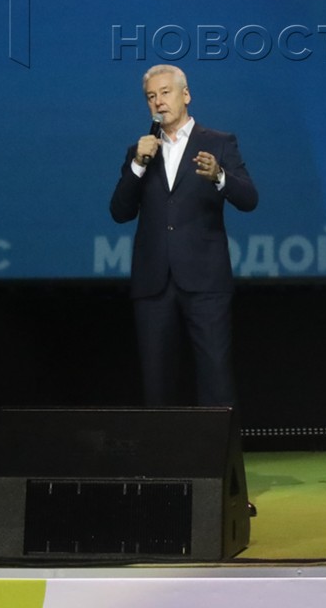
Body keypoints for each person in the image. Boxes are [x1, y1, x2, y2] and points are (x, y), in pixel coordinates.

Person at [108, 64, 258, 406]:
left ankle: (217, 443)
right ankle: (160, 443)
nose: (158, 102)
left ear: (186, 95)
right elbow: (120, 212)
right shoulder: (139, 151)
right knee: (156, 383)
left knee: (216, 377)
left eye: (165, 92)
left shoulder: (219, 143)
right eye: (151, 96)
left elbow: (249, 199)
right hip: (153, 282)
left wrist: (219, 176)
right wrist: (138, 165)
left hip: (205, 281)